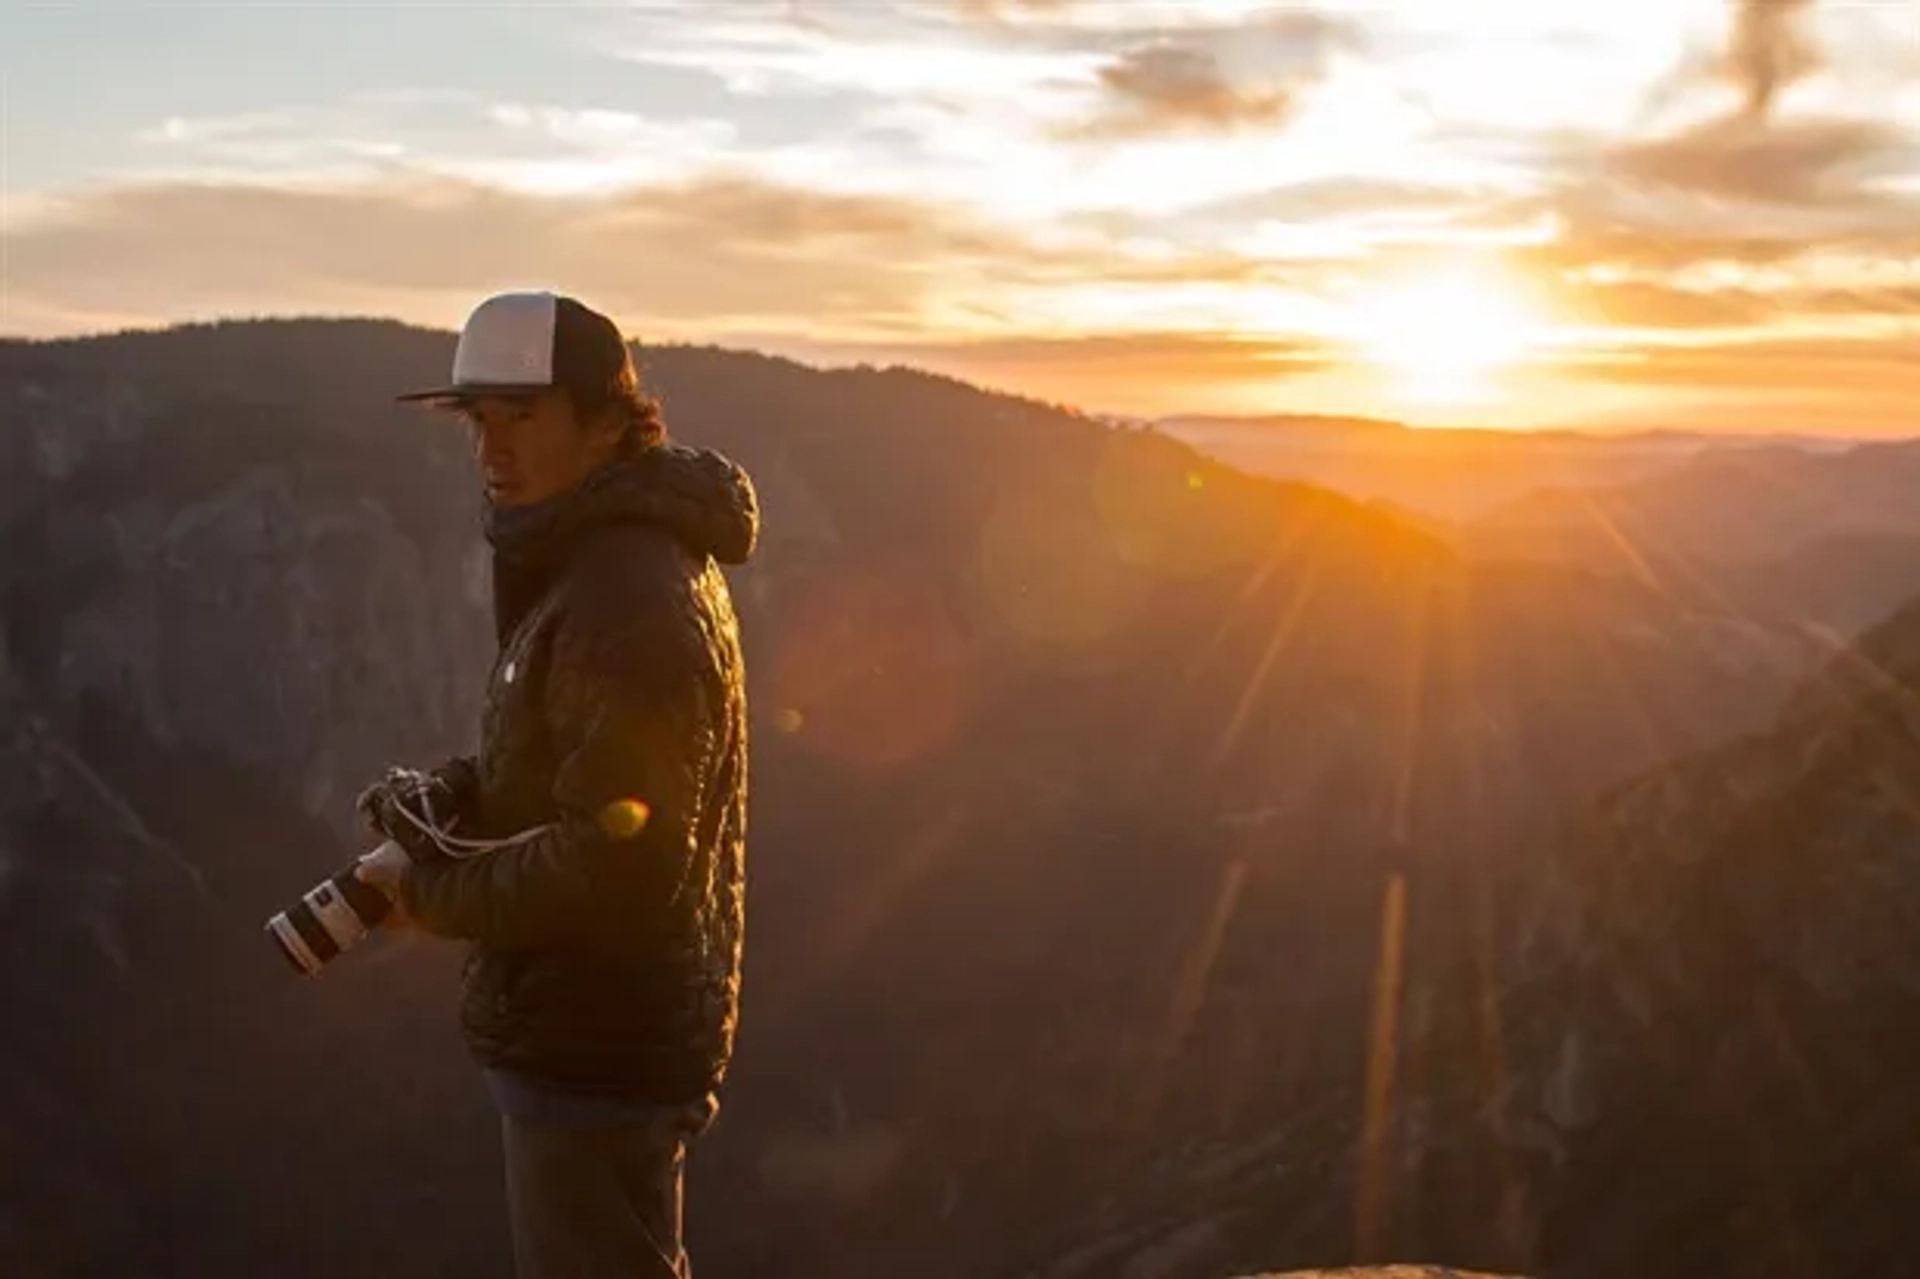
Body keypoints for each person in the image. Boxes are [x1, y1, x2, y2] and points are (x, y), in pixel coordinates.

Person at [351, 289, 758, 1278]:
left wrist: (431, 893)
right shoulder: (603, 558)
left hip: (596, 1040)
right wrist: (450, 802)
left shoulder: (625, 593)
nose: (493, 447)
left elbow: (616, 864)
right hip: (595, 1030)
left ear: (609, 419)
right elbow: (579, 772)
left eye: (522, 417)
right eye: (478, 421)